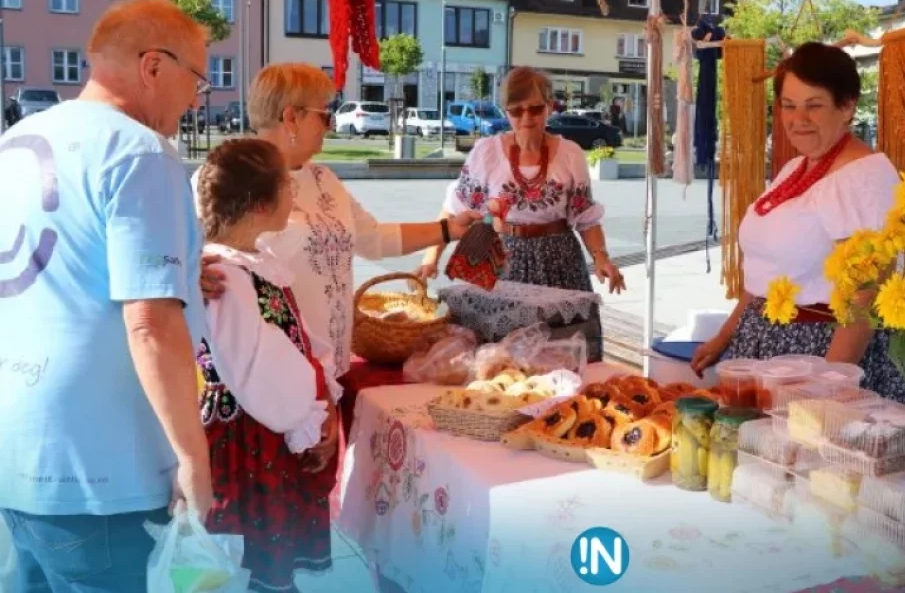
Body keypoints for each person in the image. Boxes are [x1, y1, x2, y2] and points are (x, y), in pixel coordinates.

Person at [0, 0, 213, 592]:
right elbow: (150, 323)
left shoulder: (19, 139)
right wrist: (193, 457)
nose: (197, 97)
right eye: (196, 77)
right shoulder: (140, 152)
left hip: (20, 445)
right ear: (153, 66)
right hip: (103, 463)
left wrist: (183, 282)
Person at [197, 63, 481, 387]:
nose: (330, 125)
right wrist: (187, 272)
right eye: (325, 114)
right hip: (267, 377)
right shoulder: (227, 176)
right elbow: (176, 253)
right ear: (291, 117)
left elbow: (373, 238)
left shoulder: (323, 178)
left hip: (330, 364)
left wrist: (449, 230)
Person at [690, 42, 905, 407]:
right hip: (770, 347)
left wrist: (825, 389)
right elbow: (765, 272)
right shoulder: (797, 167)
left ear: (847, 107)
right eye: (788, 106)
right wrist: (726, 335)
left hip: (822, 355)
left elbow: (865, 295)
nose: (798, 120)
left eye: (814, 106)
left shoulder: (861, 177)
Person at [195, 138, 337, 593]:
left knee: (263, 566)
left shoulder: (255, 262)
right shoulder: (227, 279)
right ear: (260, 203)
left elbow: (294, 342)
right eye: (286, 185)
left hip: (270, 424)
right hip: (252, 437)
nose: (293, 194)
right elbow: (260, 372)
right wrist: (307, 420)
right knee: (249, 565)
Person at [420, 66, 625, 296]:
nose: (526, 118)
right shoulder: (486, 152)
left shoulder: (571, 154)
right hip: (500, 262)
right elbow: (454, 211)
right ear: (506, 112)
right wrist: (430, 260)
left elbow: (585, 218)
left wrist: (601, 257)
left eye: (535, 109)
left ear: (549, 106)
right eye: (516, 111)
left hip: (560, 265)